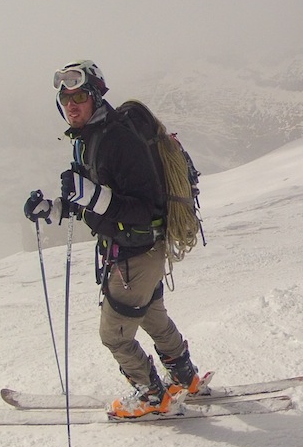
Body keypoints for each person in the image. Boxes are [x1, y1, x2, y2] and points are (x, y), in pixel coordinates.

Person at [23, 60, 205, 418]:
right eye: (65, 98)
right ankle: (186, 379)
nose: (71, 105)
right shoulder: (89, 140)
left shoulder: (118, 140)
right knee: (152, 316)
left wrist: (90, 196)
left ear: (94, 97)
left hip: (135, 253)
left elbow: (141, 208)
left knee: (115, 335)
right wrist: (53, 208)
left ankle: (152, 395)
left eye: (78, 96)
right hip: (137, 251)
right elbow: (90, 202)